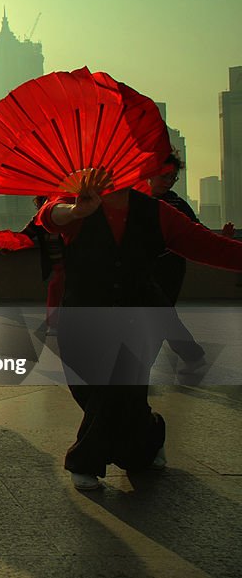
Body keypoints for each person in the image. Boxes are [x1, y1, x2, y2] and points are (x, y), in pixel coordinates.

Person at [41, 172, 242, 491]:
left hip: (138, 319)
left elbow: (206, 245)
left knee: (115, 387)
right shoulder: (77, 200)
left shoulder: (157, 212)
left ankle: (84, 460)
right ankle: (150, 434)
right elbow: (50, 216)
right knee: (92, 391)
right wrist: (77, 211)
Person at [147, 153, 234, 374]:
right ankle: (191, 356)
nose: (168, 181)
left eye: (173, 178)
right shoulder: (136, 201)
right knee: (159, 315)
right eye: (165, 176)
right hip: (144, 267)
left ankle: (186, 357)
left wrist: (222, 241)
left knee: (160, 314)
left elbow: (195, 231)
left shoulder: (176, 203)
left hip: (169, 268)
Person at [18, 196, 65, 334]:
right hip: (61, 263)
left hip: (63, 262)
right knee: (58, 288)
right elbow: (26, 235)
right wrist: (9, 245)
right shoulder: (41, 219)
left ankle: (54, 323)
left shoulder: (42, 218)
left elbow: (25, 235)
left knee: (56, 289)